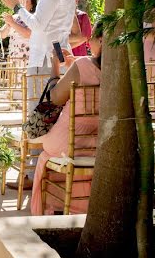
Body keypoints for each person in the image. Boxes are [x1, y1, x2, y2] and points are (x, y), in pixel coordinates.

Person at [30, 25, 103, 215]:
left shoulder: (83, 65)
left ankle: (55, 207)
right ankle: (83, 205)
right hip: (101, 142)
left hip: (69, 140)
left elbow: (54, 98)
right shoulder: (125, 68)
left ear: (102, 41)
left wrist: (55, 68)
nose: (89, 40)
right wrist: (75, 64)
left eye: (93, 36)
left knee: (47, 152)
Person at [0, 0, 35, 64]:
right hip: (14, 59)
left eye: (26, 0)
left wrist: (12, 23)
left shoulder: (34, 17)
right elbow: (2, 35)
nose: (23, 2)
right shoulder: (14, 17)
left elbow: (28, 34)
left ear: (32, 4)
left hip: (29, 59)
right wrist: (8, 24)